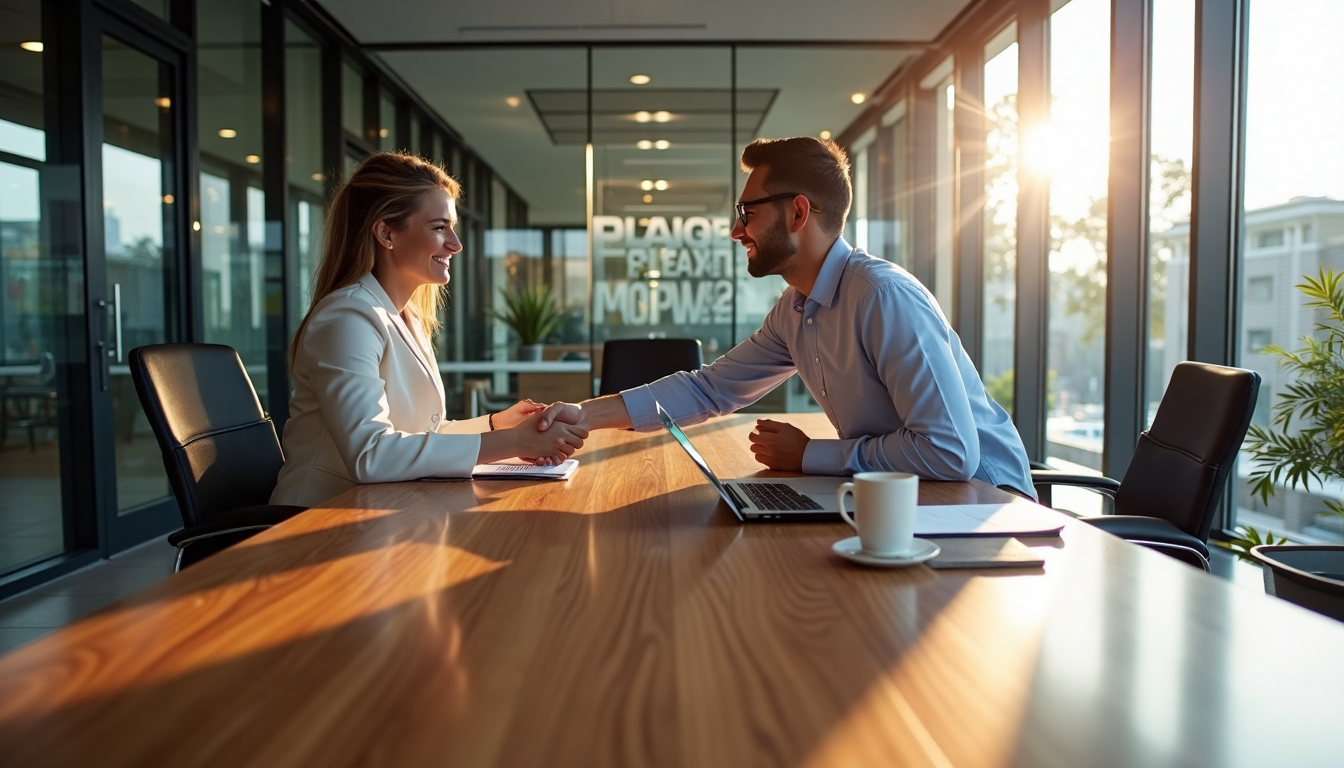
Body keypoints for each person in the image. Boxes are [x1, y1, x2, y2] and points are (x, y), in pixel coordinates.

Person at [541, 137, 1034, 497]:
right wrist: (584, 415)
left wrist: (810, 456)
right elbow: (709, 389)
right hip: (908, 500)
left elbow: (949, 453)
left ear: (798, 213)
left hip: (985, 507)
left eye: (747, 212)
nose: (737, 231)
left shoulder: (883, 297)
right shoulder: (796, 309)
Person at [272, 152, 586, 507]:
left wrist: (498, 425)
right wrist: (513, 443)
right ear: (386, 233)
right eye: (439, 227)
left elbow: (421, 435)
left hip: (382, 513)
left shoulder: (406, 316)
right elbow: (370, 453)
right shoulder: (347, 317)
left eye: (452, 226)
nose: (456, 243)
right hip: (316, 521)